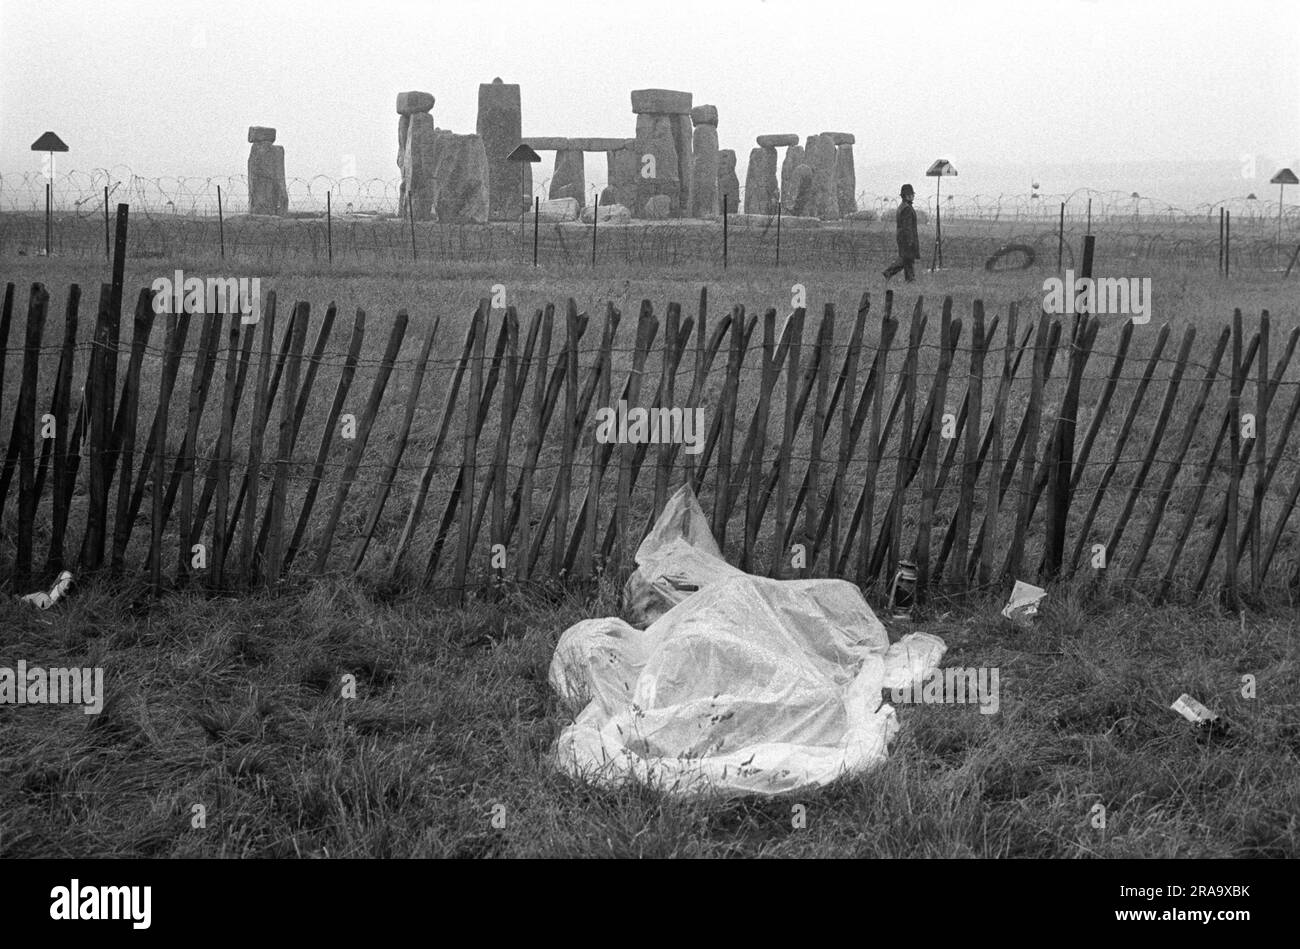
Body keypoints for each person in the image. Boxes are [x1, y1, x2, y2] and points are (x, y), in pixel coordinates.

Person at [883, 183, 920, 282]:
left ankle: (910, 279)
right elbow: (907, 227)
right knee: (906, 259)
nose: (913, 196)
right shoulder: (907, 208)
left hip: (902, 237)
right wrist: (910, 240)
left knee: (908, 259)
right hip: (906, 238)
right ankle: (889, 272)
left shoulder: (902, 206)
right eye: (911, 194)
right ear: (907, 195)